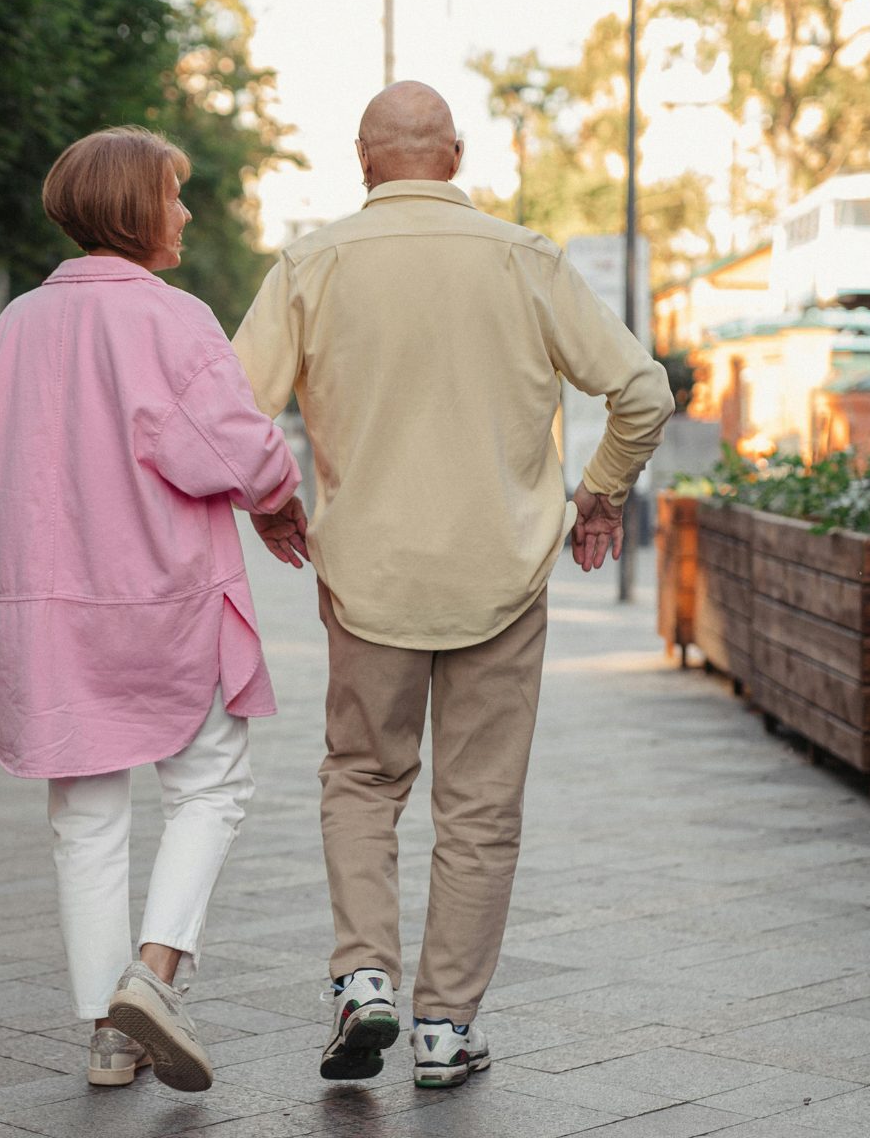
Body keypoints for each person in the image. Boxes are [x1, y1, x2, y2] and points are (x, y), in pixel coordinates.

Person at [233, 81, 672, 1088]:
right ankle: (442, 1027)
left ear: (363, 160)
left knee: (361, 778)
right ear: (457, 155)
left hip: (367, 573)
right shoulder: (526, 260)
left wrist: (273, 501)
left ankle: (364, 978)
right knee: (479, 804)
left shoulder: (313, 262)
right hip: (503, 576)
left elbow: (230, 405)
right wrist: (598, 493)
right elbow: (641, 389)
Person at [0, 126, 308, 1093]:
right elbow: (232, 446)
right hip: (160, 595)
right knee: (209, 782)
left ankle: (108, 1034)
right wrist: (280, 501)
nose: (186, 211)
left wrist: (2, 585)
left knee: (85, 811)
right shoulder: (173, 318)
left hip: (48, 605)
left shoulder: (17, 323)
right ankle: (152, 976)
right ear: (134, 207)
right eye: (173, 193)